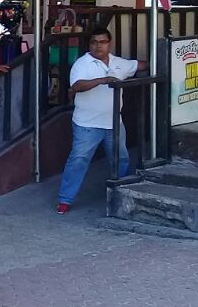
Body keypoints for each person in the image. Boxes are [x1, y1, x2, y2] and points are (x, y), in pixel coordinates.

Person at [56, 27, 139, 214]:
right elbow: (76, 86)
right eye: (94, 42)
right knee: (78, 160)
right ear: (89, 44)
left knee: (121, 159)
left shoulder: (119, 63)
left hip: (114, 123)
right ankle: (65, 200)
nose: (98, 46)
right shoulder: (82, 64)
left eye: (102, 42)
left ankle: (120, 194)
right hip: (87, 124)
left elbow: (139, 65)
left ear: (110, 44)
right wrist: (102, 80)